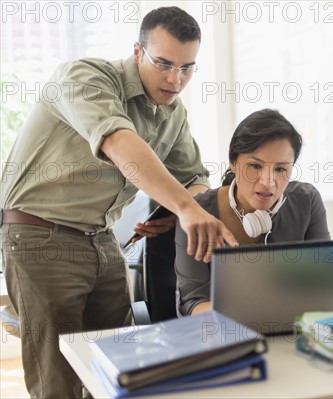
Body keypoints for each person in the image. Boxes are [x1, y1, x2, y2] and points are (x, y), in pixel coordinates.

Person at [0, 7, 236, 398]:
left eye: (187, 68)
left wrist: (173, 210)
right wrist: (187, 209)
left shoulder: (172, 114)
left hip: (102, 238)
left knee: (119, 368)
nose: (175, 79)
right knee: (58, 378)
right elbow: (119, 144)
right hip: (39, 234)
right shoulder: (84, 77)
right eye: (163, 63)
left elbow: (195, 179)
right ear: (138, 51)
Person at [174, 109, 331, 316]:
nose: (268, 182)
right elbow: (192, 303)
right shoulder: (198, 213)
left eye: (281, 169)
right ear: (233, 162)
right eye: (255, 166)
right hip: (220, 334)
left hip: (290, 332)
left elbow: (326, 285)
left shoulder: (307, 201)